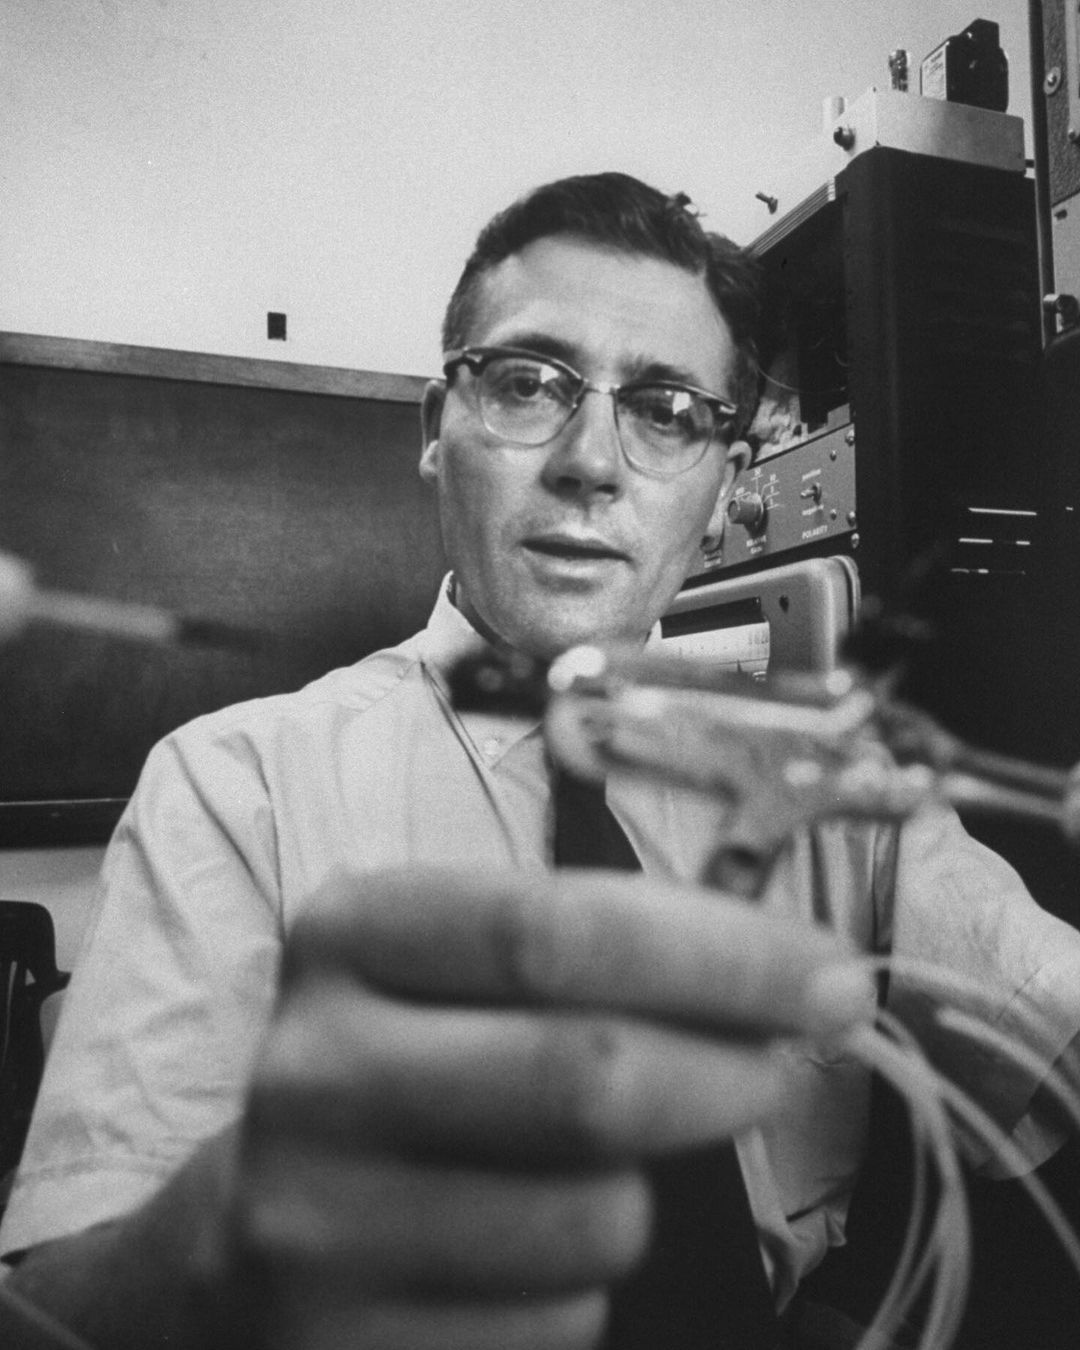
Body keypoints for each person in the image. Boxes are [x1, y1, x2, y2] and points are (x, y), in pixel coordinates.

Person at [1, 172, 1078, 1350]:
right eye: (527, 384)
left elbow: (1052, 1024)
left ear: (725, 491)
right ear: (436, 431)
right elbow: (58, 1312)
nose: (589, 461)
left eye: (666, 410)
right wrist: (236, 1218)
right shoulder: (232, 788)